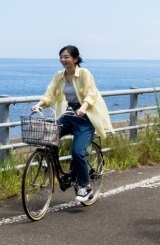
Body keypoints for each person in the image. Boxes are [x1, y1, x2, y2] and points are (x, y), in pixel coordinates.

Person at [31, 45, 114, 204]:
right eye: (61, 57)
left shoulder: (84, 74)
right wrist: (39, 104)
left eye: (67, 57)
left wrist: (83, 108)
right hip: (70, 114)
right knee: (49, 135)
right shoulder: (59, 76)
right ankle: (57, 169)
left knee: (77, 153)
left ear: (75, 59)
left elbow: (91, 94)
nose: (63, 60)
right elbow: (50, 93)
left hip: (86, 116)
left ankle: (85, 186)